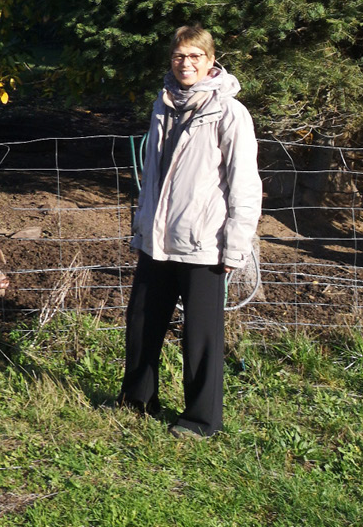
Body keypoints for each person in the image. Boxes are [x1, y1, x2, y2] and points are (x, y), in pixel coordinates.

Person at [119, 25, 262, 438]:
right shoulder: (163, 104)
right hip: (158, 241)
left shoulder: (229, 112)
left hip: (204, 244)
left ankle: (200, 420)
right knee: (142, 323)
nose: (186, 64)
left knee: (200, 337)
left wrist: (235, 246)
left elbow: (245, 185)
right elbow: (153, 174)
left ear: (210, 61)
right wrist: (142, 227)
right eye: (180, 56)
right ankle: (138, 400)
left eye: (195, 56)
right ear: (171, 60)